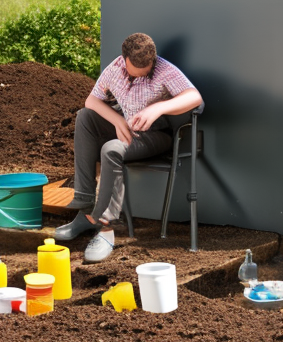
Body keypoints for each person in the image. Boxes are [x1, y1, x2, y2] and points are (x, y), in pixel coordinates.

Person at [54, 33, 203, 263]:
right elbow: (91, 102)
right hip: (127, 127)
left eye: (147, 67)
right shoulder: (115, 69)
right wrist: (117, 120)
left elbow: (194, 97)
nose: (144, 72)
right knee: (84, 117)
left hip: (155, 135)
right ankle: (84, 208)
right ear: (125, 60)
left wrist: (159, 108)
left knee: (111, 149)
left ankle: (106, 229)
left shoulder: (163, 69)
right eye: (137, 68)